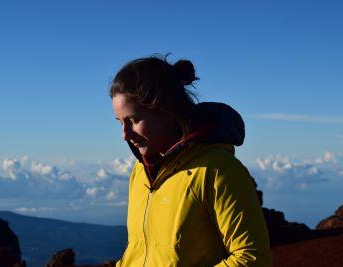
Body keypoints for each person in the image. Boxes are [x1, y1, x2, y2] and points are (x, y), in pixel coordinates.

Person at [110, 55, 272, 267]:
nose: (125, 134)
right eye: (120, 122)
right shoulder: (141, 171)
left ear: (165, 110)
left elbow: (252, 258)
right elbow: (139, 250)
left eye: (134, 120)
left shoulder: (217, 170)